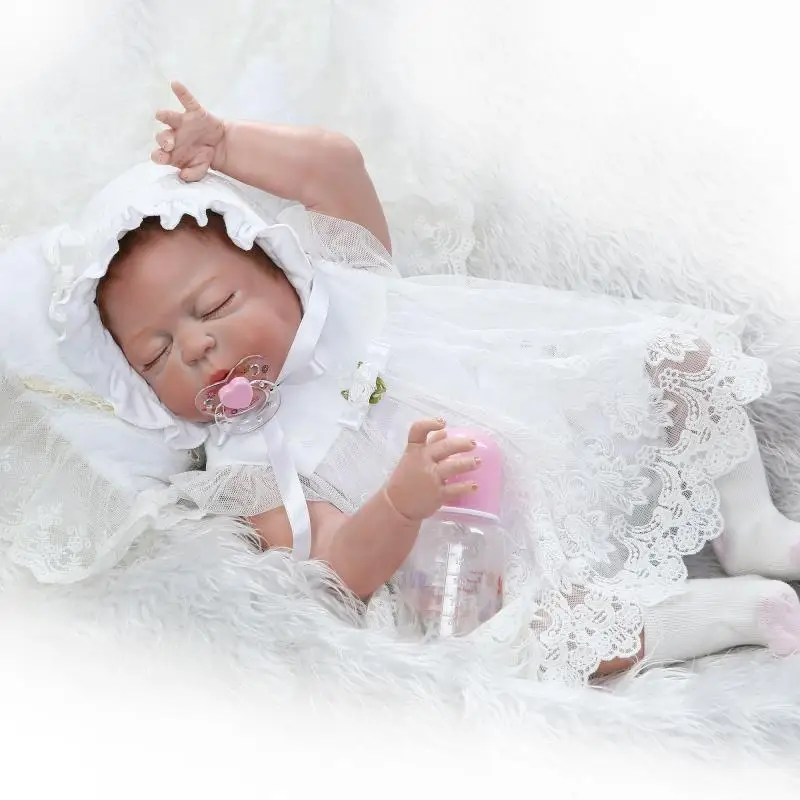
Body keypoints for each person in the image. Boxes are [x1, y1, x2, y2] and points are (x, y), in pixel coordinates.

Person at [89, 82, 800, 684]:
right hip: (467, 561)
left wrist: (228, 146)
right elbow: (337, 568)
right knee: (525, 641)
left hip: (564, 436)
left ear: (279, 267)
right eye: (155, 355)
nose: (195, 346)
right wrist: (398, 505)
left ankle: (751, 524)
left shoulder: (344, 280)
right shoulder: (246, 468)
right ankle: (720, 615)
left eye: (214, 306)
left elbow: (335, 167)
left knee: (682, 359)